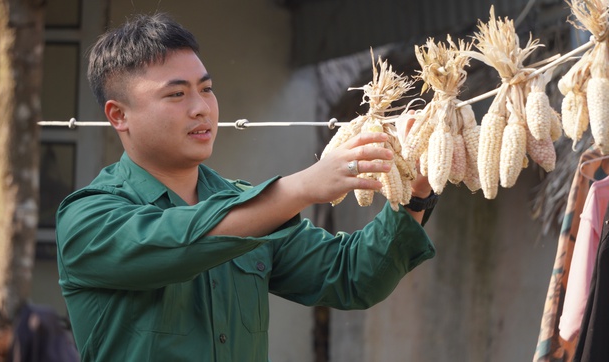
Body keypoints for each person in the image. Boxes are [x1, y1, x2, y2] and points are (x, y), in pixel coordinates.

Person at [55, 13, 437, 361]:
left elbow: (353, 276)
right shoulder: (88, 219)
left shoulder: (245, 204)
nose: (201, 108)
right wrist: (302, 187)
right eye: (176, 94)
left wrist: (414, 194)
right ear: (119, 115)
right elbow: (182, 241)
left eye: (206, 89)